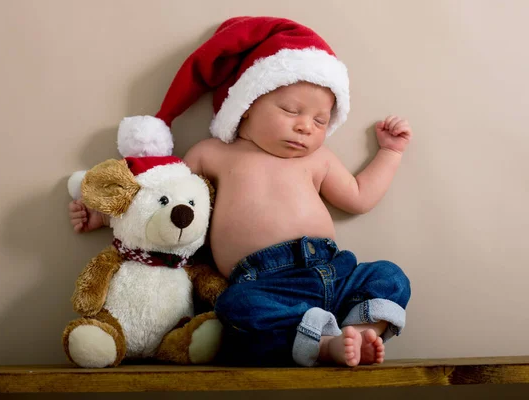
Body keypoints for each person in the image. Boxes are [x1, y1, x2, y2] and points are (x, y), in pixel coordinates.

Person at [69, 16, 411, 367]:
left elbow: (359, 196)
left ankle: (359, 328)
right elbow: (168, 196)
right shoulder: (213, 153)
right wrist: (106, 211)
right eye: (290, 110)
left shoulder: (319, 159)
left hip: (332, 269)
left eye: (321, 120)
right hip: (263, 283)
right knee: (236, 309)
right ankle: (324, 344)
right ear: (245, 107)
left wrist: (391, 152)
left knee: (389, 275)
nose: (305, 126)